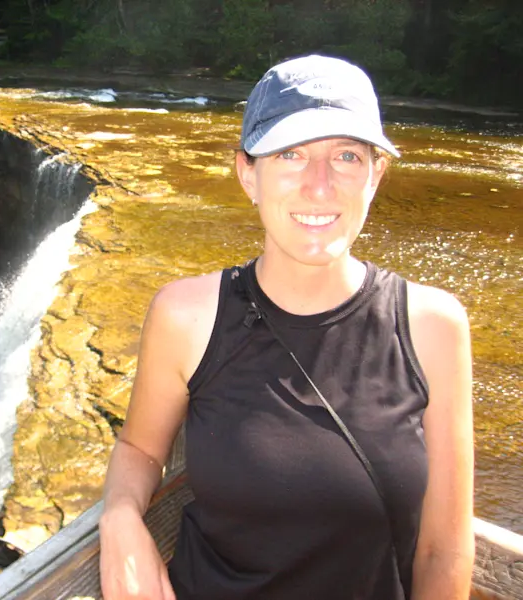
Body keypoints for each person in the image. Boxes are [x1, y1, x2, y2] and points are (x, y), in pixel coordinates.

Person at [98, 55, 475, 600]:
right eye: (290, 154)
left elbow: (445, 550)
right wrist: (120, 514)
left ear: (375, 175)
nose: (319, 186)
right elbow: (139, 449)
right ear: (247, 174)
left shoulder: (434, 327)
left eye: (346, 155)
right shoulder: (185, 316)